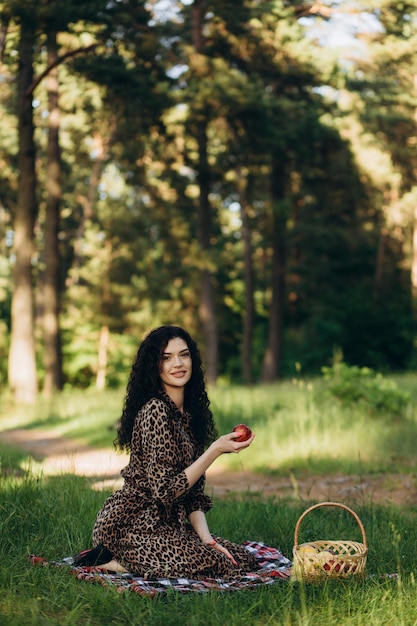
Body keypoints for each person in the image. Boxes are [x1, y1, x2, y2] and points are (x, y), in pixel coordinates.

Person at [74, 325, 257, 579]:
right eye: (166, 357)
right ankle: (109, 560)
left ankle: (131, 563)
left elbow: (192, 495)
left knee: (243, 560)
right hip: (130, 525)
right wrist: (215, 450)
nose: (178, 364)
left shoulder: (191, 416)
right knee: (221, 566)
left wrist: (207, 539)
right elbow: (166, 490)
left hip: (167, 525)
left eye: (184, 355)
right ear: (154, 366)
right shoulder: (155, 411)